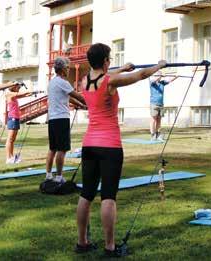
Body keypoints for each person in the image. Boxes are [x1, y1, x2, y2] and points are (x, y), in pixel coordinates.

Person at [75, 43, 166, 257]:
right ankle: (110, 246)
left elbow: (105, 75)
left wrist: (123, 67)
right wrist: (159, 65)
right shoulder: (110, 81)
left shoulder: (84, 80)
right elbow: (142, 74)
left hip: (89, 144)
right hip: (110, 146)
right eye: (109, 58)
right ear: (106, 61)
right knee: (108, 196)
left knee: (86, 194)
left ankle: (82, 242)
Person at [45, 57, 86, 183]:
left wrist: (81, 106)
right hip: (61, 119)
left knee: (53, 148)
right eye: (67, 67)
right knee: (62, 149)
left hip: (52, 119)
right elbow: (76, 95)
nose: (69, 69)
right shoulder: (64, 82)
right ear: (62, 69)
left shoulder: (52, 82)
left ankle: (48, 175)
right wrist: (89, 102)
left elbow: (67, 97)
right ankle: (59, 177)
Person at [4, 84, 36, 164]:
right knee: (10, 139)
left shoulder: (14, 96)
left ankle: (11, 157)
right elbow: (21, 94)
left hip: (16, 118)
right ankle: (8, 158)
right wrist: (29, 91)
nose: (19, 88)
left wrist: (32, 93)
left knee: (13, 140)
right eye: (18, 87)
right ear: (13, 87)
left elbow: (24, 95)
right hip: (12, 118)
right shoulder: (9, 94)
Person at [149, 73, 178, 141]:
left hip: (161, 104)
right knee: (153, 120)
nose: (160, 76)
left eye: (160, 75)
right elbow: (154, 80)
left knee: (159, 120)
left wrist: (176, 77)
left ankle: (158, 134)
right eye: (158, 75)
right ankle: (152, 135)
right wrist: (159, 76)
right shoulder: (152, 82)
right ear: (155, 76)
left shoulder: (162, 83)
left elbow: (170, 81)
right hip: (154, 103)